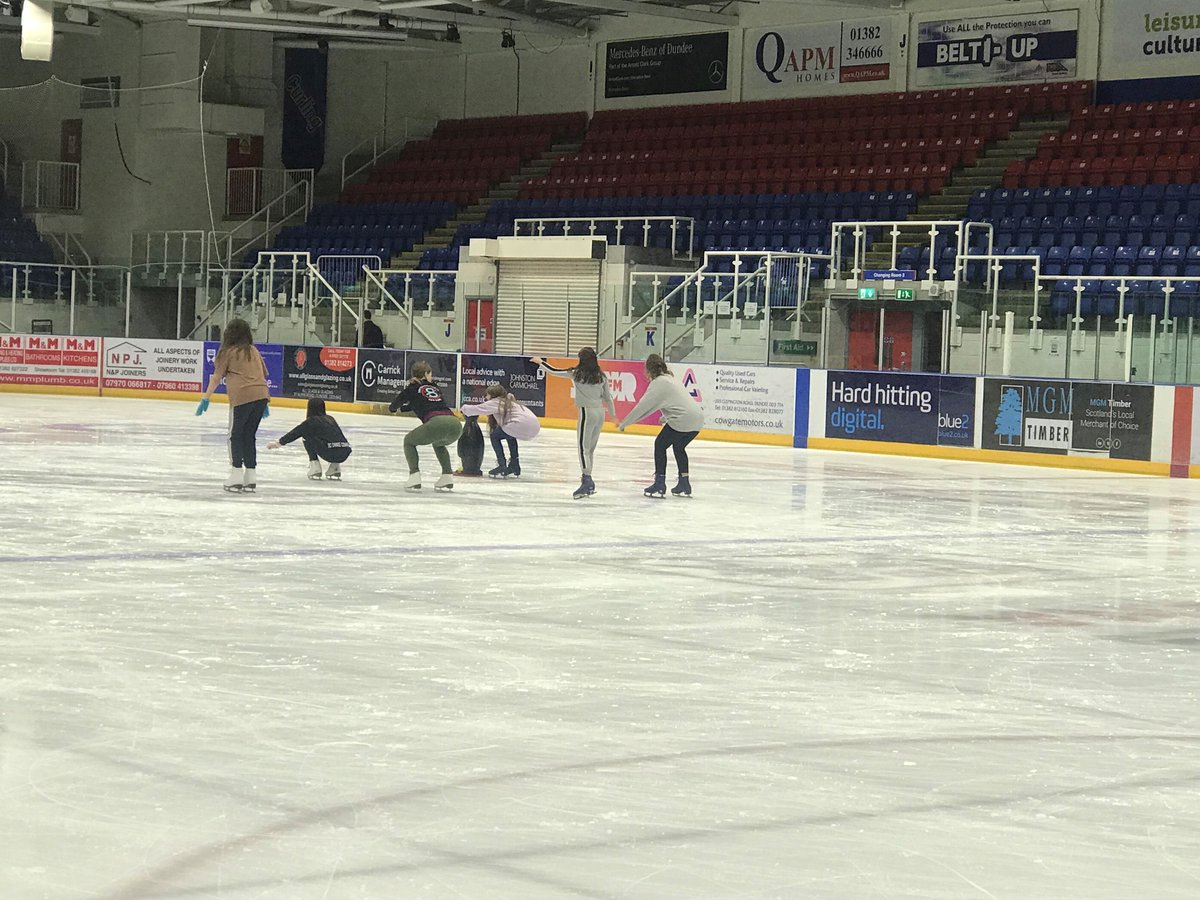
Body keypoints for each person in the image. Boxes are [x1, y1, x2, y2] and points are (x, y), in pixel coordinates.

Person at [196, 317, 270, 493]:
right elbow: (263, 374)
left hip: (242, 397)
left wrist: (206, 398)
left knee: (235, 435)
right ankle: (250, 477)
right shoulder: (253, 350)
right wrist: (264, 401)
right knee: (249, 435)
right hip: (261, 395)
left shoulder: (227, 352)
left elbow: (216, 377)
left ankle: (236, 475)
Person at [618, 353, 705, 498]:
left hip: (682, 419)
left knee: (660, 444)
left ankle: (659, 483)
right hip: (697, 419)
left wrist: (625, 422)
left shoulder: (659, 383)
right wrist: (666, 417)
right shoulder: (670, 379)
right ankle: (684, 482)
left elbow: (642, 407)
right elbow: (679, 402)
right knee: (679, 447)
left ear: (649, 369)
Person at [532, 348, 614, 499]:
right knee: (590, 449)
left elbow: (554, 371)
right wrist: (614, 416)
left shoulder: (577, 373)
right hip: (600, 413)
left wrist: (540, 362)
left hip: (586, 412)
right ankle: (587, 478)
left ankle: (587, 479)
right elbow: (608, 398)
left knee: (583, 447)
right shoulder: (601, 376)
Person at [388, 360, 463, 491]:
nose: (432, 377)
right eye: (430, 374)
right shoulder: (435, 387)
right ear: (426, 374)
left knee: (409, 441)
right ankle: (447, 476)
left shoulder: (411, 388)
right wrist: (405, 409)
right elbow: (423, 402)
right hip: (455, 424)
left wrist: (394, 410)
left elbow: (394, 405)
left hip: (436, 423)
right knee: (439, 443)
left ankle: (414, 475)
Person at [461, 383, 541, 478]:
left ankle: (501, 463)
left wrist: (463, 408)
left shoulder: (496, 402)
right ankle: (515, 464)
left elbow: (476, 409)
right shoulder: (509, 401)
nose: (486, 397)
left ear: (492, 395)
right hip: (534, 426)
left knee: (495, 435)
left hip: (519, 424)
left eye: (487, 395)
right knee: (510, 434)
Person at [266, 398, 352, 480]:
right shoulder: (330, 419)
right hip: (345, 452)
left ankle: (315, 467)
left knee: (306, 437)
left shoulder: (311, 421)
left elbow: (295, 433)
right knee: (330, 438)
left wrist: (278, 444)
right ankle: (335, 467)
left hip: (330, 453)